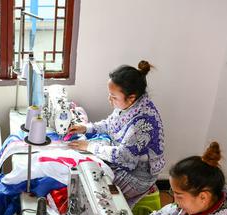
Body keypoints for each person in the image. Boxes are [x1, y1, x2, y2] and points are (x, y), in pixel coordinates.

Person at [68, 60, 164, 206]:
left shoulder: (143, 122)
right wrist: (86, 128)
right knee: (85, 165)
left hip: (137, 176)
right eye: (109, 94)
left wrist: (89, 146)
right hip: (125, 160)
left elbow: (123, 156)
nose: (109, 100)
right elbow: (110, 124)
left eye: (114, 97)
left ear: (131, 97)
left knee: (91, 187)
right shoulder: (130, 106)